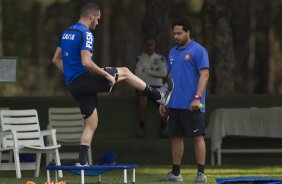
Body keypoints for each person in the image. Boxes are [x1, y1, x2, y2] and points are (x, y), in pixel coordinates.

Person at [51, 1, 173, 166]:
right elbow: (86, 62)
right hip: (84, 80)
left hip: (74, 85)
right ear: (91, 16)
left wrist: (71, 75)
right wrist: (104, 74)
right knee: (125, 71)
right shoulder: (85, 33)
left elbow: (55, 60)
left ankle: (81, 161)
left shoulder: (67, 33)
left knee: (91, 122)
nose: (98, 22)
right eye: (98, 19)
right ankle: (159, 95)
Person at [159, 18, 209, 182]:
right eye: (174, 33)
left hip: (192, 104)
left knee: (197, 137)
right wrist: (165, 100)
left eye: (179, 33)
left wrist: (197, 98)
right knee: (175, 137)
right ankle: (176, 173)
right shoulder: (172, 52)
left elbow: (205, 75)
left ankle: (201, 173)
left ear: (188, 32)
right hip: (174, 103)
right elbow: (171, 77)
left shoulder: (199, 50)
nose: (176, 36)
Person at [134, 38, 168, 138]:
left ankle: (163, 129)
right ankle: (141, 128)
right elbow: (138, 74)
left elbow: (163, 73)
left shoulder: (161, 58)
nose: (149, 47)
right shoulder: (139, 58)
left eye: (151, 45)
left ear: (154, 46)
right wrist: (154, 73)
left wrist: (146, 71)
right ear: (144, 46)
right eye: (147, 45)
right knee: (142, 101)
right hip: (143, 85)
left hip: (158, 87)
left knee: (164, 103)